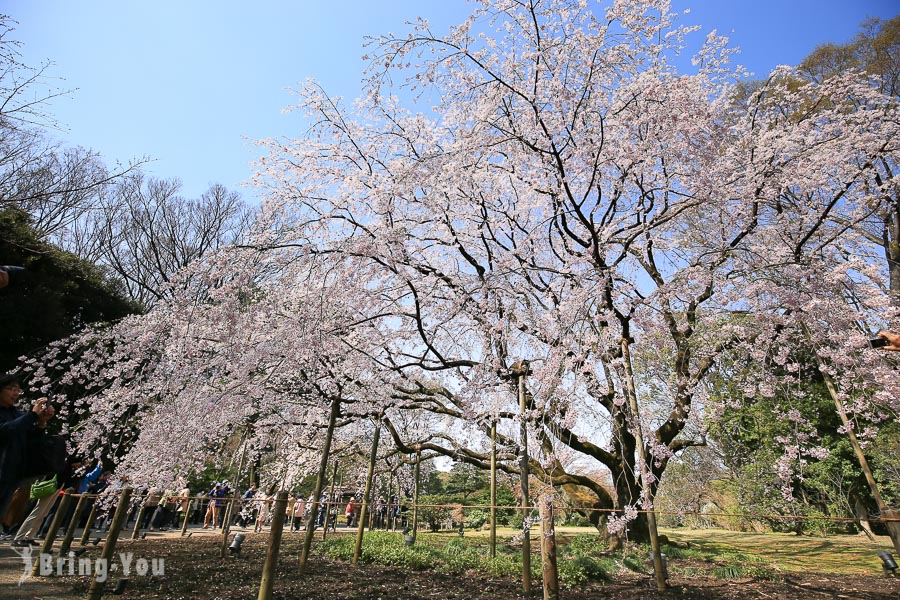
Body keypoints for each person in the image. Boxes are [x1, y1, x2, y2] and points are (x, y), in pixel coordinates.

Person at [0, 374, 54, 533]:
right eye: (11, 389)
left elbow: (31, 440)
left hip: (11, 475)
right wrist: (31, 415)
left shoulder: (17, 414)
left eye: (17, 389)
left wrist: (41, 421)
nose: (16, 393)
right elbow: (5, 431)